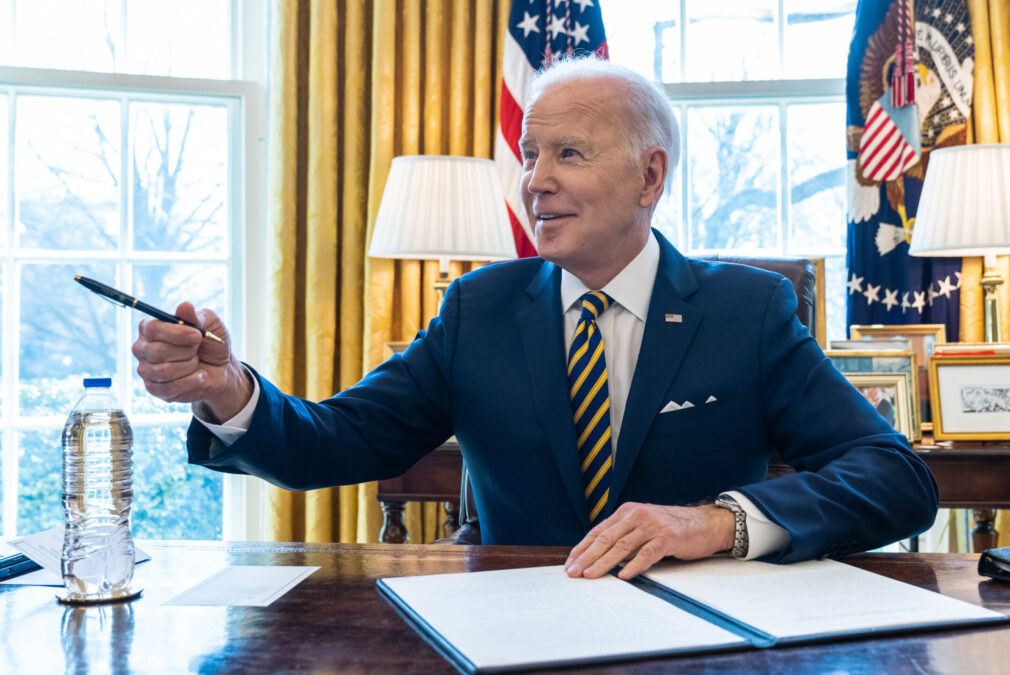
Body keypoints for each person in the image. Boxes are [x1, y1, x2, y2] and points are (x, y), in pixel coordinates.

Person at [132, 56, 938, 581]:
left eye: (569, 155)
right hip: (510, 633)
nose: (534, 182)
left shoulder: (746, 310)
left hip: (700, 637)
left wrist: (718, 522)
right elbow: (333, 440)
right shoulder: (477, 308)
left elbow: (897, 479)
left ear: (650, 175)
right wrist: (230, 389)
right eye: (529, 154)